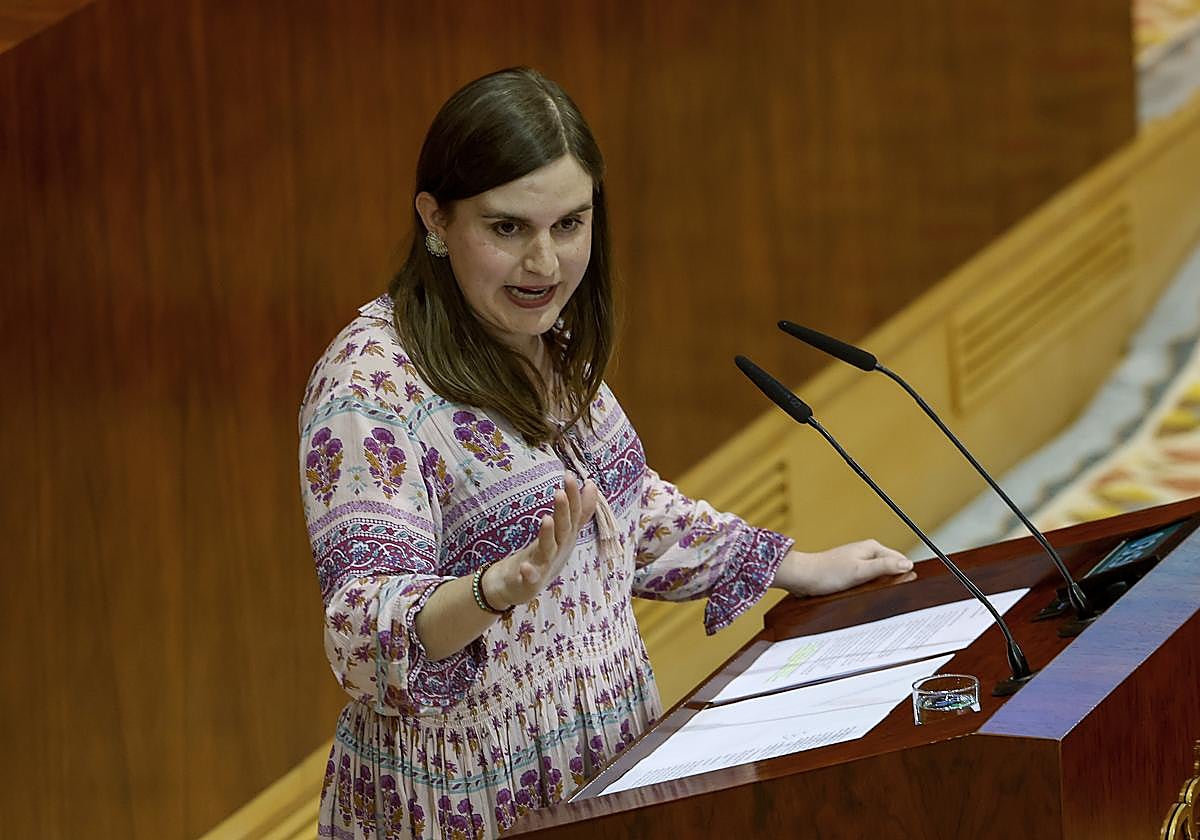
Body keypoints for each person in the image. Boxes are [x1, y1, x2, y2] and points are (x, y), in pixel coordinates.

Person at [298, 66, 913, 840]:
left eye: (569, 225)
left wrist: (790, 565)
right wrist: (493, 590)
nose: (545, 264)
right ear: (436, 218)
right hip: (465, 799)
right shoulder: (366, 388)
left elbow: (625, 509)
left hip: (601, 758)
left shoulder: (544, 340)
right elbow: (362, 634)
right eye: (507, 228)